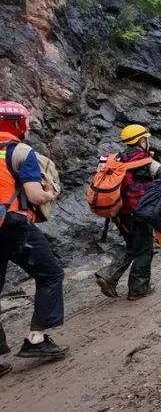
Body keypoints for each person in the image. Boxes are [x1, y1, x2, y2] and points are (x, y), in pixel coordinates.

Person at [0, 101, 68, 378]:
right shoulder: (19, 151)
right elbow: (36, 195)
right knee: (51, 274)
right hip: (12, 226)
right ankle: (36, 339)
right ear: (18, 124)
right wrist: (50, 193)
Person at [94, 124, 161, 300]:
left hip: (119, 213)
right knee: (144, 250)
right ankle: (138, 288)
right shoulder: (147, 162)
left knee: (132, 246)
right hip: (140, 213)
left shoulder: (117, 160)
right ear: (142, 140)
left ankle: (109, 277)